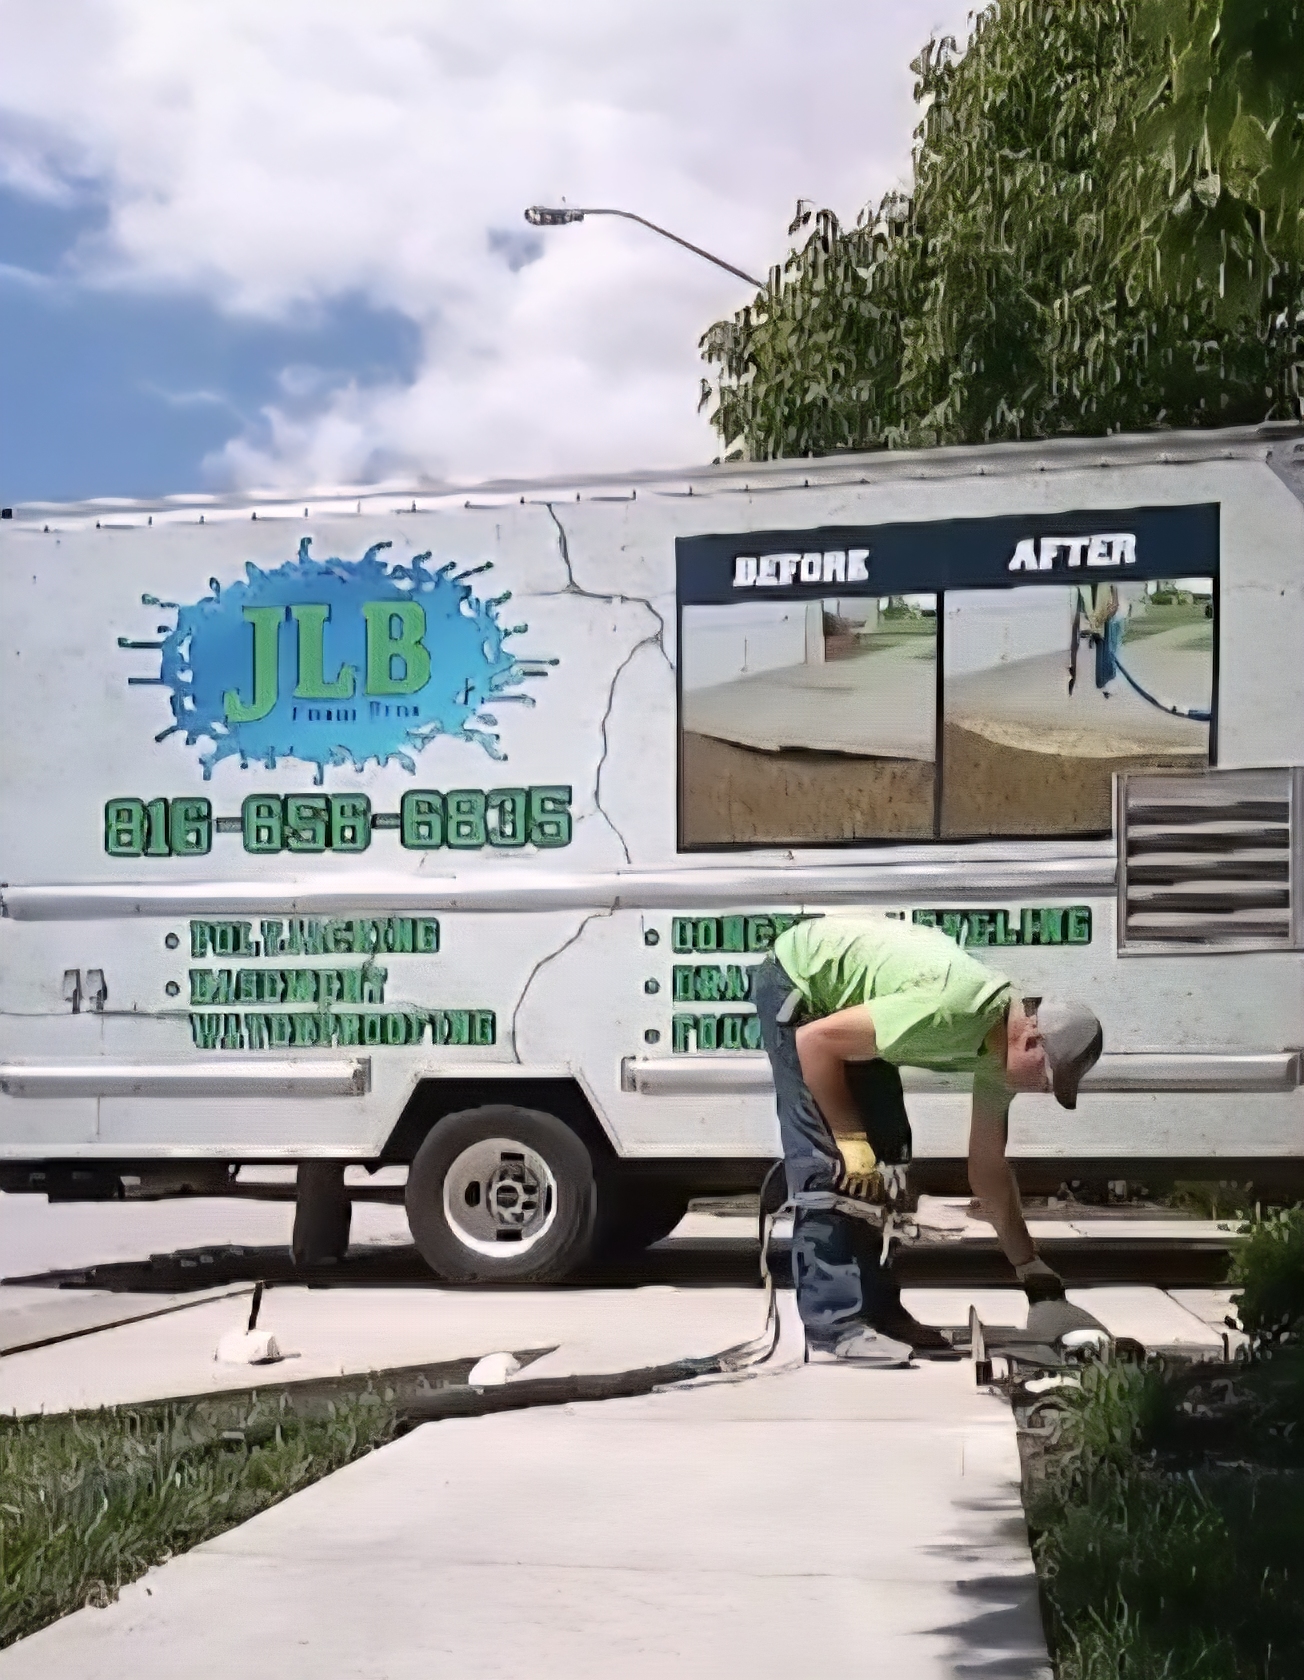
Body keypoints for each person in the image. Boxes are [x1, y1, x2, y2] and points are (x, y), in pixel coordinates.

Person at [753, 914, 1104, 1367]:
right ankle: (835, 1325)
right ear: (1032, 1040)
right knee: (833, 1165)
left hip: (855, 1008)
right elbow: (815, 1042)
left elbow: (987, 1169)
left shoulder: (1000, 1059)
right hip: (801, 983)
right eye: (1047, 1079)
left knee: (890, 1158)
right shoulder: (955, 1009)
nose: (1041, 1090)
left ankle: (879, 1312)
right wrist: (848, 1139)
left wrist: (1030, 1267)